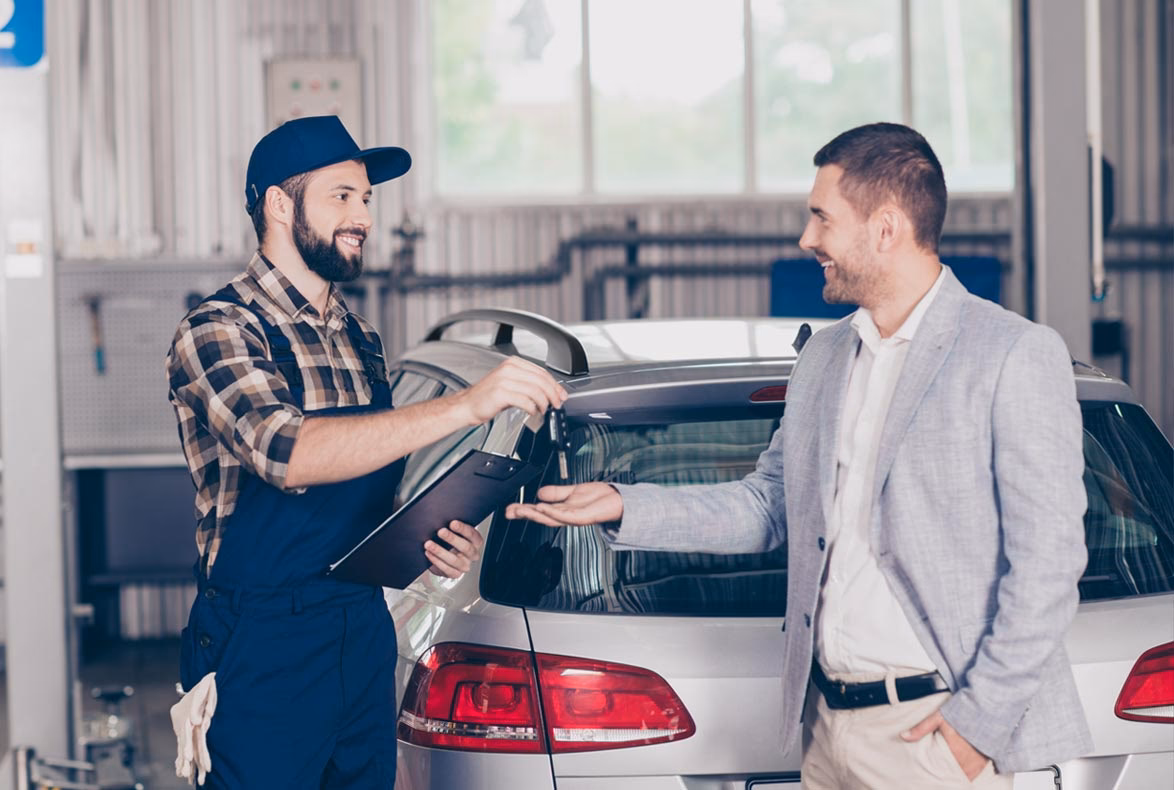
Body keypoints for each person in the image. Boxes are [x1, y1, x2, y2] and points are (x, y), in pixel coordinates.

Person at [507, 122, 1091, 788]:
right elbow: (768, 506)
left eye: (821, 218)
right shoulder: (824, 357)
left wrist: (974, 731)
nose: (805, 239)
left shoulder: (1011, 352)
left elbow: (1049, 563)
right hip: (828, 731)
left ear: (887, 228)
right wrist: (622, 504)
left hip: (934, 732)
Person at [166, 115, 567, 788]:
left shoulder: (358, 338)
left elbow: (367, 485)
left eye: (366, 200)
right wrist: (467, 405)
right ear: (278, 204)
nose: (362, 218)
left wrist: (425, 535)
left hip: (360, 625)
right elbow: (286, 452)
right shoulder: (218, 330)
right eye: (341, 197)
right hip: (263, 645)